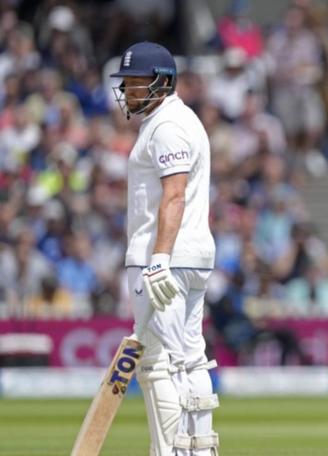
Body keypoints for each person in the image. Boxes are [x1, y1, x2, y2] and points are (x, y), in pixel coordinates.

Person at [112, 42, 219, 455]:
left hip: (162, 259)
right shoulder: (175, 120)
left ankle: (172, 452)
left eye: (136, 82)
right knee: (190, 358)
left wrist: (158, 260)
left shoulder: (168, 126)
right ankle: (200, 448)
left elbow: (174, 195)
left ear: (162, 81)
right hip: (189, 258)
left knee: (161, 364)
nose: (129, 91)